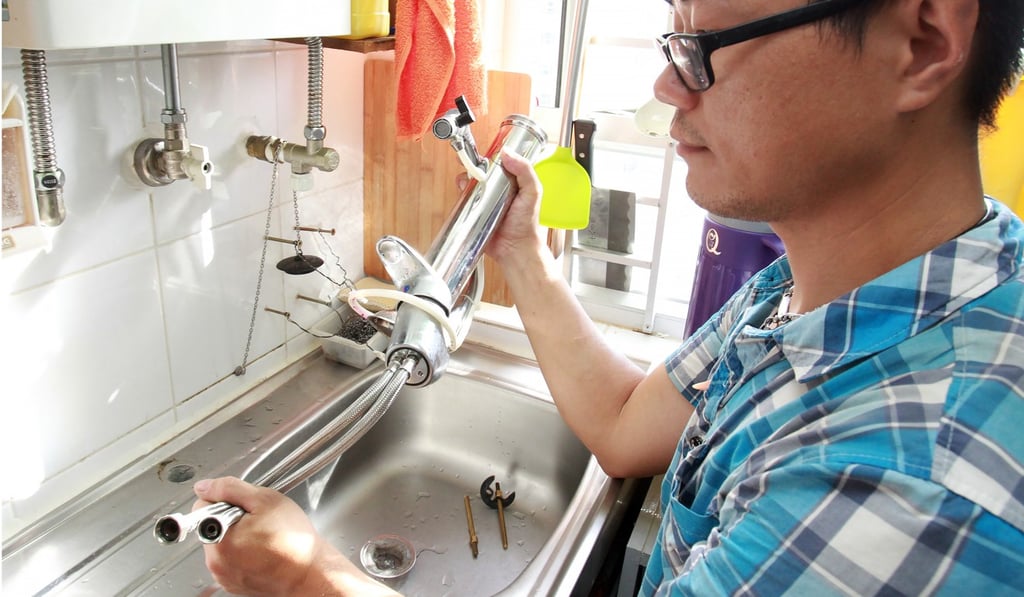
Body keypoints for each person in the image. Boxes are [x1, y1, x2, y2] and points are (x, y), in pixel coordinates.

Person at [193, 0, 1024, 594]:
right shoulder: (828, 288)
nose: (668, 87)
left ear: (919, 43)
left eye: (706, 46)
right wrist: (518, 250)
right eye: (674, 36)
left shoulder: (904, 493)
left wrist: (312, 578)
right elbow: (628, 424)